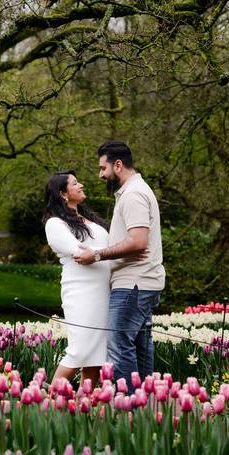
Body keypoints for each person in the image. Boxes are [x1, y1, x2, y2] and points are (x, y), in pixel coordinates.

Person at [75, 141, 165, 394]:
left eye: (103, 168)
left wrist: (97, 255)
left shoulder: (134, 194)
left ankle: (129, 406)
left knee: (118, 346)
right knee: (139, 346)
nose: (100, 175)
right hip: (142, 282)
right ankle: (147, 405)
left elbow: (137, 241)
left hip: (133, 284)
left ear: (118, 164)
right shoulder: (134, 191)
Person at [44, 170, 111, 387]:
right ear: (63, 193)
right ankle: (49, 401)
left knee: (96, 356)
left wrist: (109, 251)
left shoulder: (90, 219)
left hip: (104, 292)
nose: (81, 185)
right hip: (82, 293)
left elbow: (98, 251)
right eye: (75, 183)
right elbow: (80, 253)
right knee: (80, 349)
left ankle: (84, 406)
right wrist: (115, 251)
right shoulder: (55, 223)